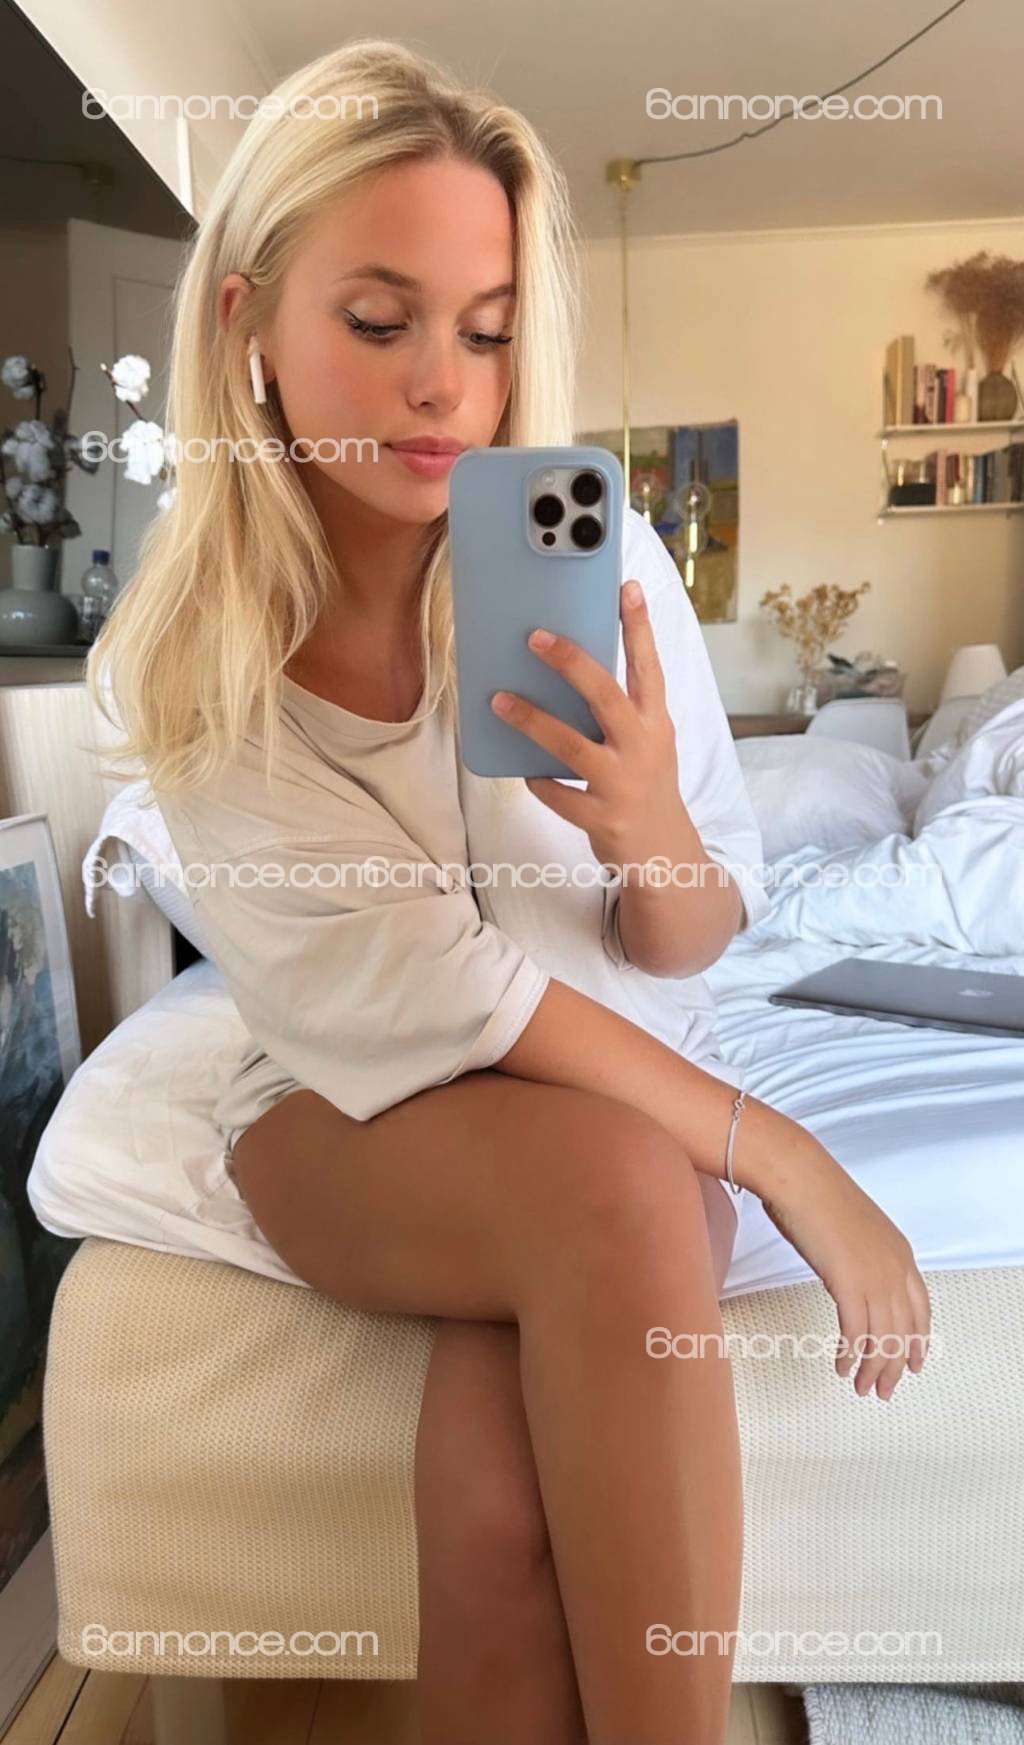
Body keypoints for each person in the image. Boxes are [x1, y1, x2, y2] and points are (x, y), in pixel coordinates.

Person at [88, 38, 931, 1745]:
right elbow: (449, 994)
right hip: (351, 1114)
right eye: (378, 319)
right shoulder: (200, 669)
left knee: (494, 1522)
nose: (442, 388)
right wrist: (781, 1153)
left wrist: (645, 823)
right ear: (249, 325)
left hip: (613, 1097)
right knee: (618, 1185)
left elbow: (693, 930)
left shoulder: (594, 564)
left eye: (484, 332)